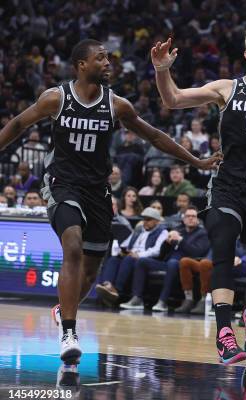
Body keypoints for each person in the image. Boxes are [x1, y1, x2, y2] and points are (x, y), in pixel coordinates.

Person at [0, 39, 220, 365]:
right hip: (63, 184)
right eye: (100, 58)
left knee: (90, 272)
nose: (108, 63)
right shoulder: (55, 99)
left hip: (99, 192)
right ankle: (69, 333)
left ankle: (64, 310)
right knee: (72, 246)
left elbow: (155, 136)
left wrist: (197, 161)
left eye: (108, 58)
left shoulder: (117, 105)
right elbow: (18, 124)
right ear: (81, 65)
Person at [152, 28, 246, 365]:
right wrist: (162, 70)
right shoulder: (226, 89)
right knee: (222, 250)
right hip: (228, 184)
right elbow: (172, 99)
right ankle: (224, 332)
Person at [120, 206, 209, 312]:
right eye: (188, 216)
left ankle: (163, 301)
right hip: (167, 263)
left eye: (193, 216)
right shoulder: (177, 230)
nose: (190, 218)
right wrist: (166, 242)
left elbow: (197, 252)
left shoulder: (202, 233)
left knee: (172, 263)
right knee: (142, 261)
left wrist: (180, 241)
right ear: (183, 219)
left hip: (185, 265)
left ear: (198, 220)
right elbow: (161, 255)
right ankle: (137, 298)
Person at [96, 207, 168, 305]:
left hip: (146, 259)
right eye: (144, 219)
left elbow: (156, 250)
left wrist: (138, 255)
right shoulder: (139, 229)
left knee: (129, 259)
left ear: (157, 221)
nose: (145, 222)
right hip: (131, 255)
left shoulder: (162, 232)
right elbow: (126, 243)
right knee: (114, 259)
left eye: (148, 219)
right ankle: (107, 285)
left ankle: (117, 290)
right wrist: (122, 251)